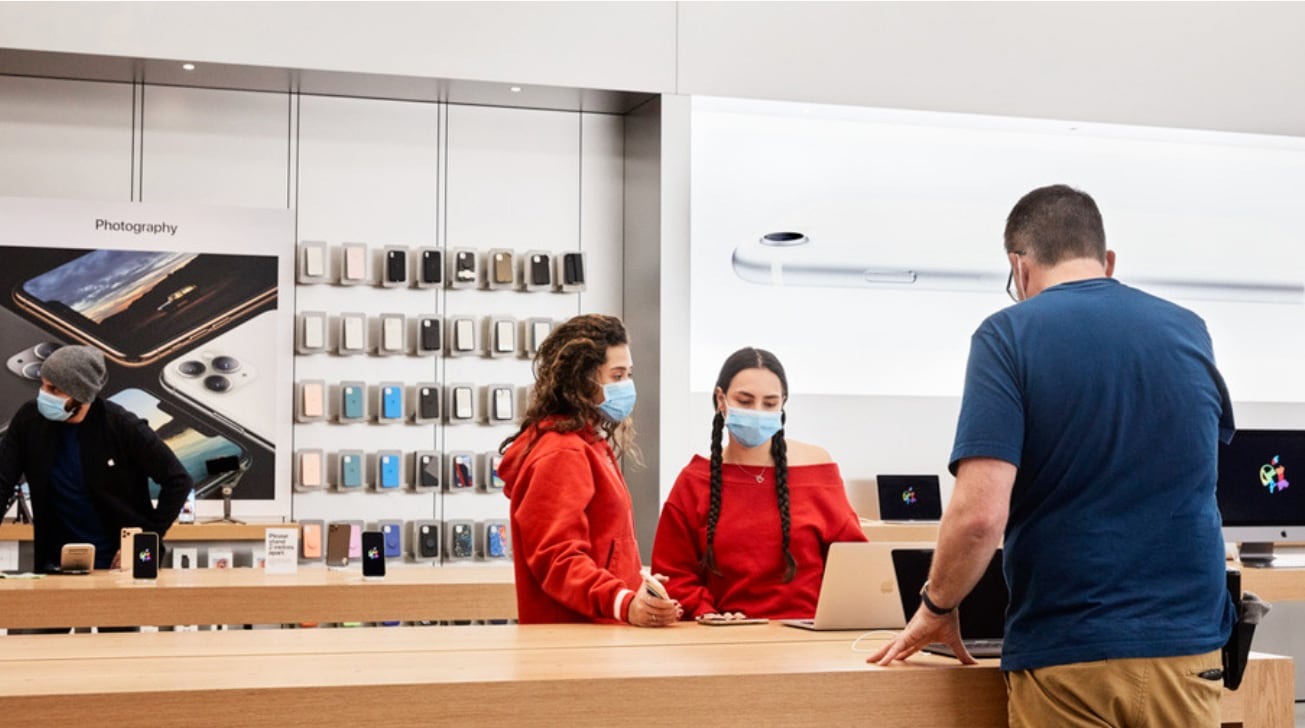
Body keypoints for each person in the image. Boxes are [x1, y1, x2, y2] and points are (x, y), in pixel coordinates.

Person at [869, 185, 1236, 727]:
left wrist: (937, 609)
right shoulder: (1188, 329)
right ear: (1107, 260)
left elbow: (979, 516)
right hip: (1188, 647)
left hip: (1071, 648)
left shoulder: (1007, 335)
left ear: (1018, 266)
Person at [651, 347, 866, 620]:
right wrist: (708, 614)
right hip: (723, 641)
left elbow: (855, 563)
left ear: (783, 404)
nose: (757, 411)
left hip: (810, 640)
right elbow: (675, 573)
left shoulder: (817, 469)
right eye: (745, 400)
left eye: (769, 403)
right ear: (721, 399)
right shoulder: (694, 480)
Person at [498, 314, 680, 626]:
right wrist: (623, 602)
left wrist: (636, 583)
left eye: (629, 374)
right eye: (617, 375)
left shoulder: (587, 444)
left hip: (595, 636)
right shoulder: (562, 452)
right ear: (582, 380)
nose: (627, 385)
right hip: (574, 644)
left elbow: (605, 546)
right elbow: (558, 559)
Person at [0, 345, 192, 573]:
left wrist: (146, 538)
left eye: (53, 389)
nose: (44, 394)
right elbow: (2, 481)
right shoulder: (28, 420)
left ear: (80, 394)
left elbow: (179, 481)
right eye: (43, 385)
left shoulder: (121, 424)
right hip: (55, 564)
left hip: (124, 563)